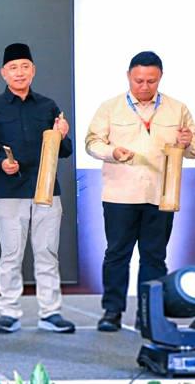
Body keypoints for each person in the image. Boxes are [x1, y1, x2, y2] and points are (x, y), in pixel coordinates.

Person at [85, 51, 194, 332]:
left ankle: (149, 314)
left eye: (151, 81)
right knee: (117, 254)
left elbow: (192, 151)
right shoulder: (110, 107)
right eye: (139, 80)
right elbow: (92, 142)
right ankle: (111, 311)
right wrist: (113, 152)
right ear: (128, 76)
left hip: (161, 195)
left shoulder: (178, 108)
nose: (144, 87)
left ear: (160, 78)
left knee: (154, 256)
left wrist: (189, 142)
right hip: (120, 195)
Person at [0, 43, 75, 334]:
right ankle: (9, 312)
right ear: (3, 73)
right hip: (8, 191)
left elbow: (64, 151)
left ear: (33, 70)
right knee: (11, 255)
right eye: (13, 68)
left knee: (47, 253)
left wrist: (62, 135)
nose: (19, 73)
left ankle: (50, 312)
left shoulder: (48, 105)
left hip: (46, 191)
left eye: (25, 67)